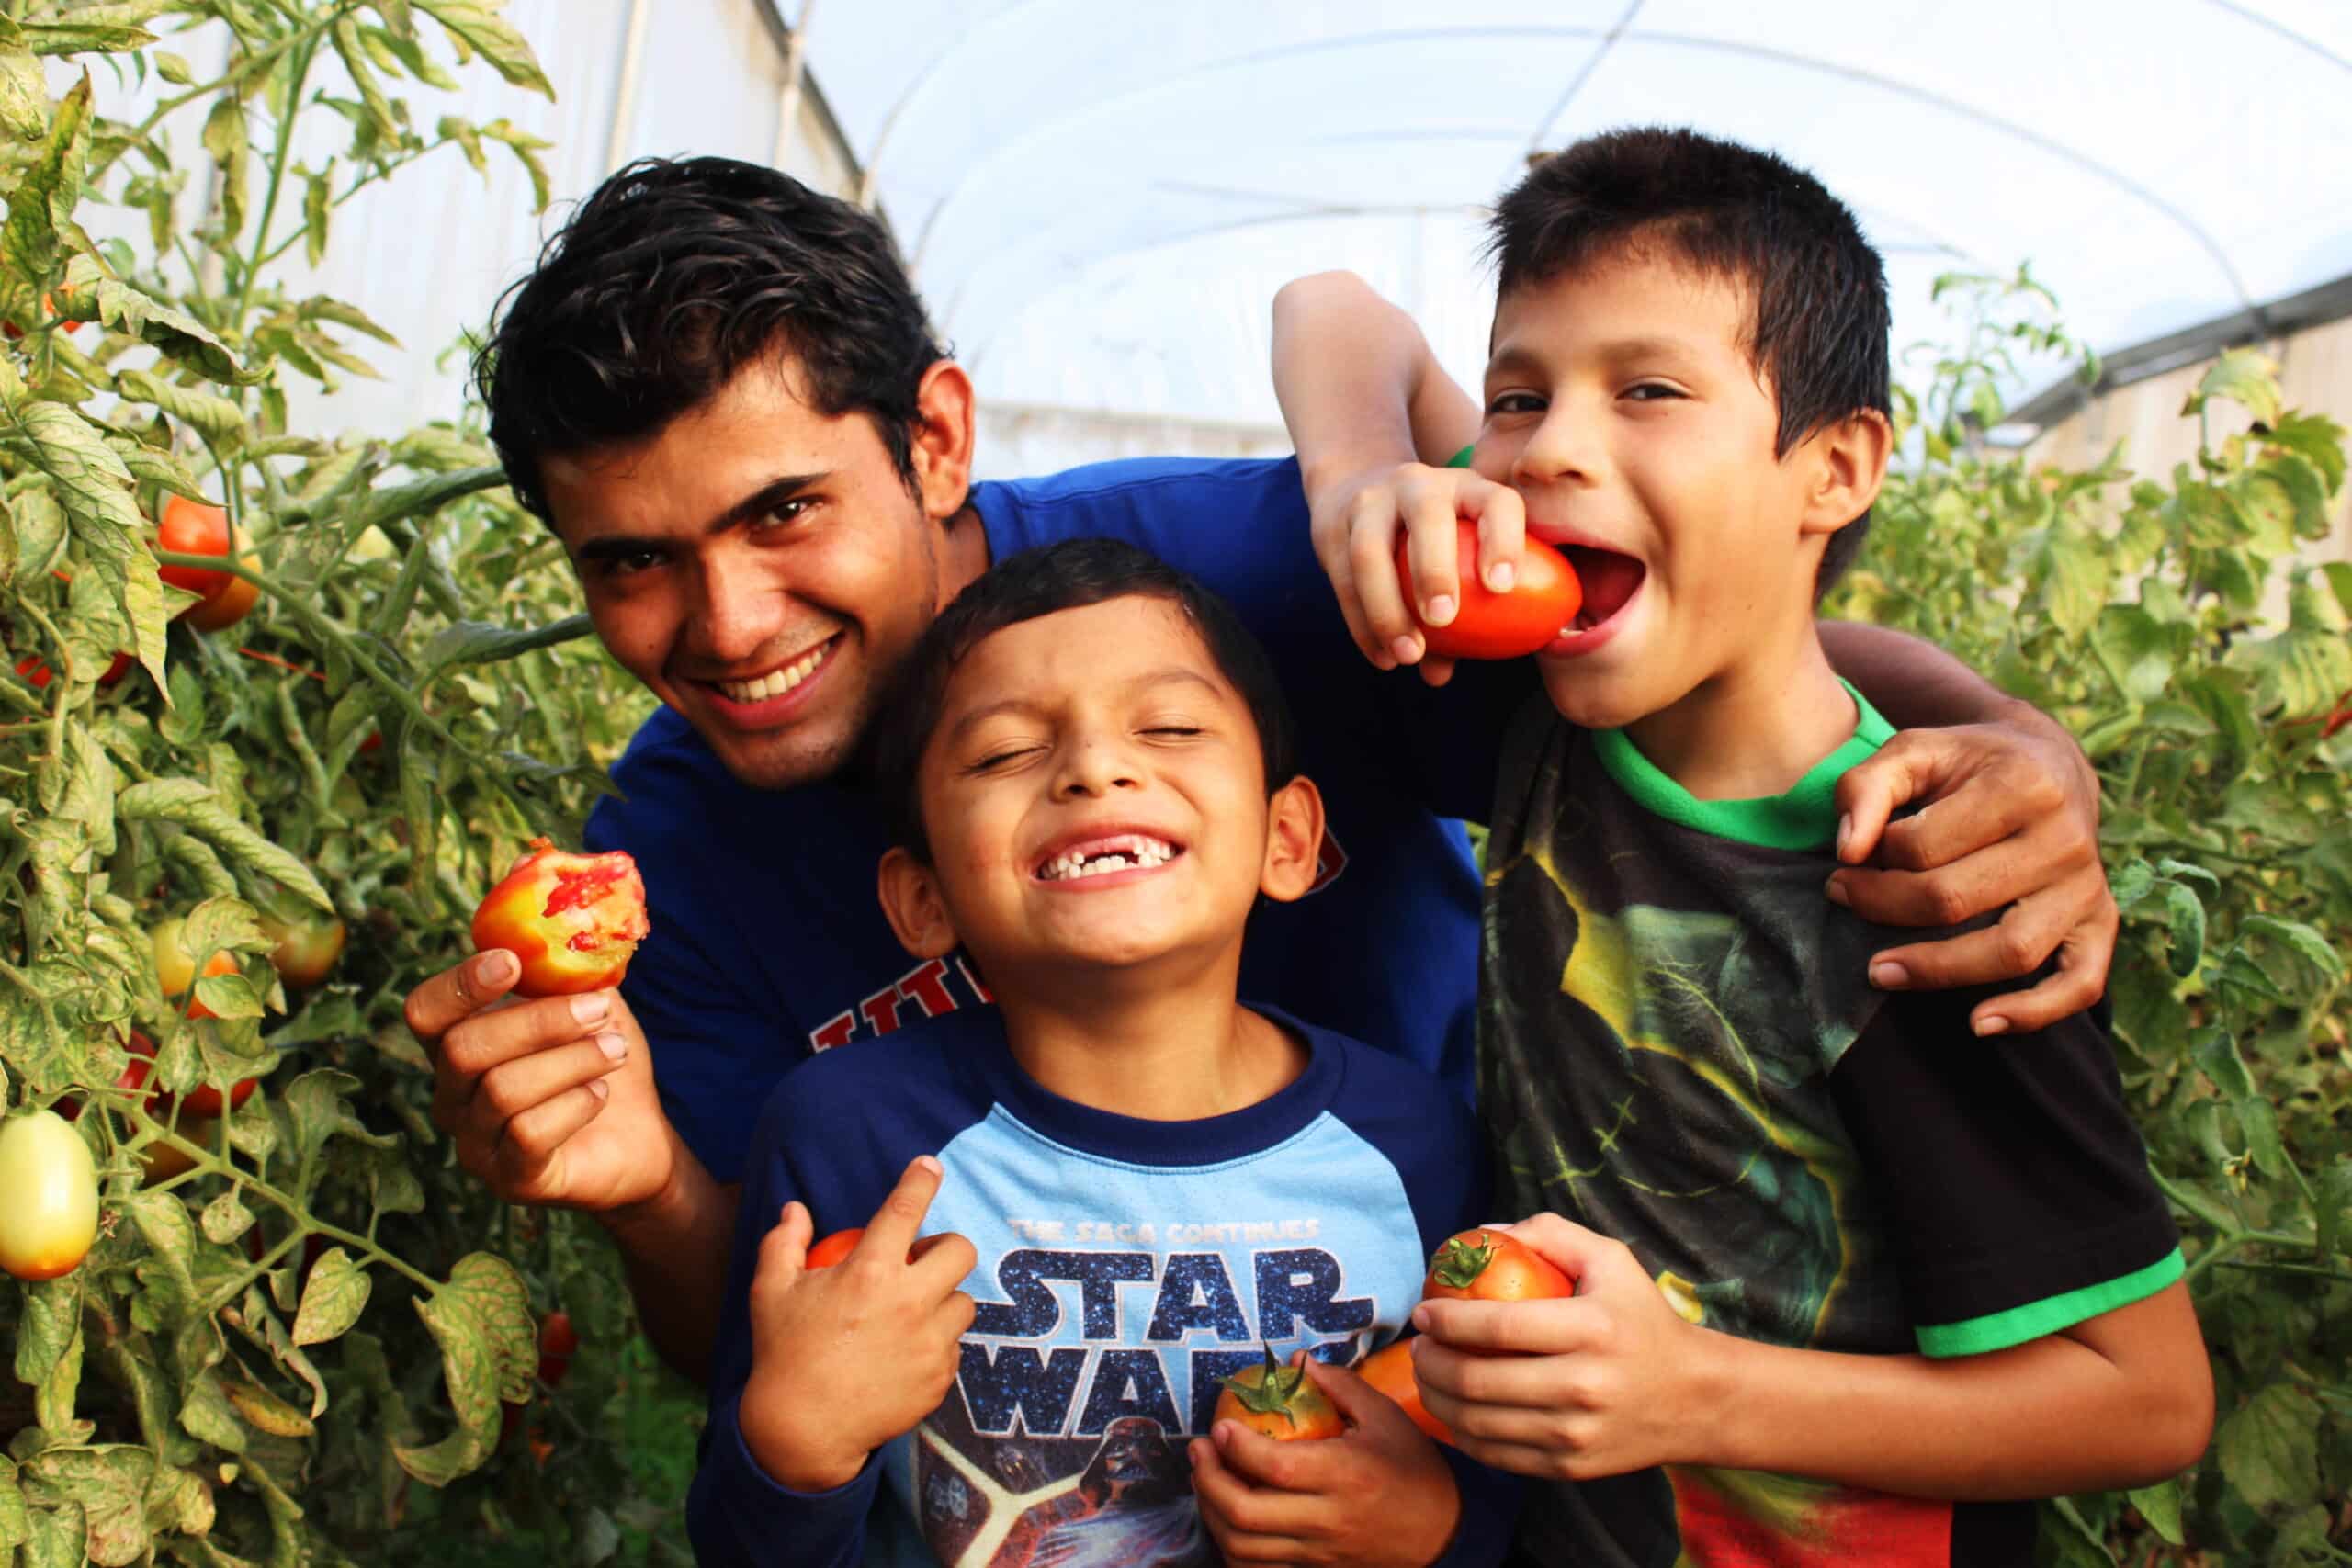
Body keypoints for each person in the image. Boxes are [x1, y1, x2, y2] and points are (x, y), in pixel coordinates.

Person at [401, 157, 2120, 1382]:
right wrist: (645, 1191)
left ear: (935, 437)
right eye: (629, 560)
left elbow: (1695, 646)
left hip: (1458, 1368)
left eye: (785, 513)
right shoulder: (674, 857)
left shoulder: (1209, 598)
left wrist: (2018, 744)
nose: (726, 619)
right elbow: (746, 1351)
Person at [1315, 128, 2210, 1566]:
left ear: (1837, 465)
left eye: (1650, 390)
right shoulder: (1555, 712)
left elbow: (2146, 1398)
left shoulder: (1922, 883)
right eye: (1516, 396)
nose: (1550, 449)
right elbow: (1334, 311)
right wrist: (1362, 478)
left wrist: (1689, 1392)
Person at [687, 539, 1514, 1568]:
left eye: (1168, 727)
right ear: (921, 898)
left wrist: (1441, 1525)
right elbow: (737, 1536)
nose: (1093, 767)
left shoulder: (1416, 1141)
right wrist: (794, 1443)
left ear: (1287, 839)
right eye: (1001, 754)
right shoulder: (845, 1134)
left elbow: (1512, 1470)